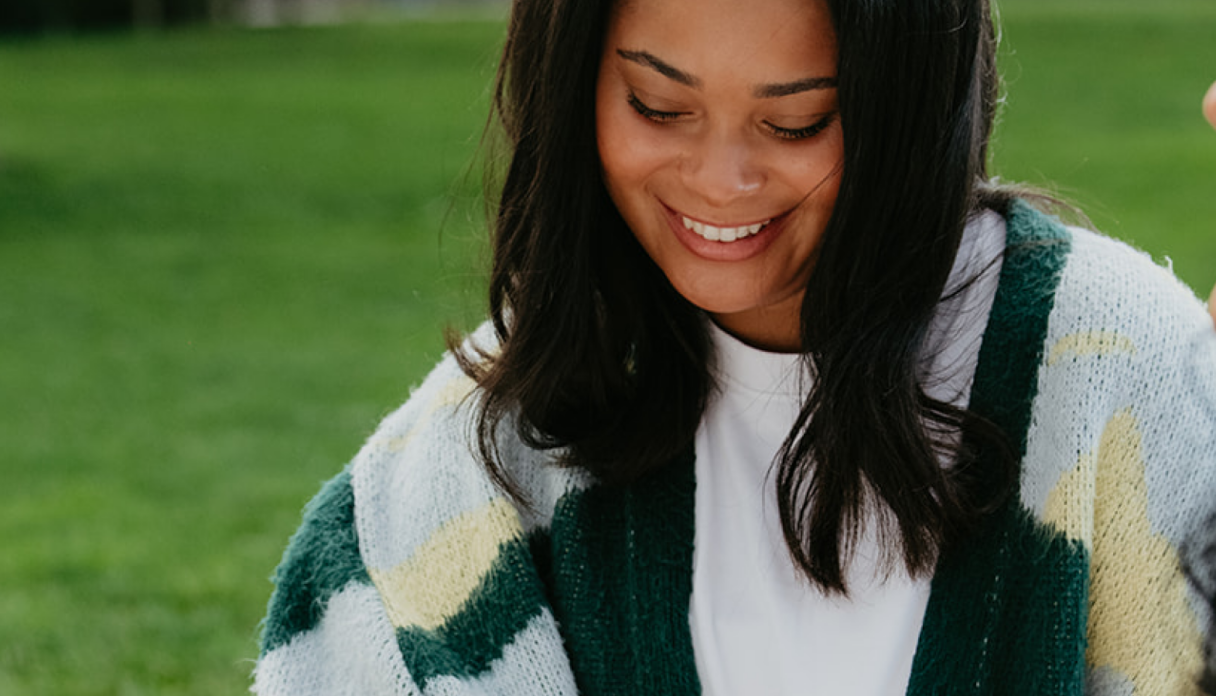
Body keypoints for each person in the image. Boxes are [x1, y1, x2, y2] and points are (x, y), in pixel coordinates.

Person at [251, 0, 1216, 693]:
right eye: (656, 107)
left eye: (795, 122)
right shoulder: (478, 459)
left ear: (910, 110)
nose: (719, 182)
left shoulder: (1118, 370)